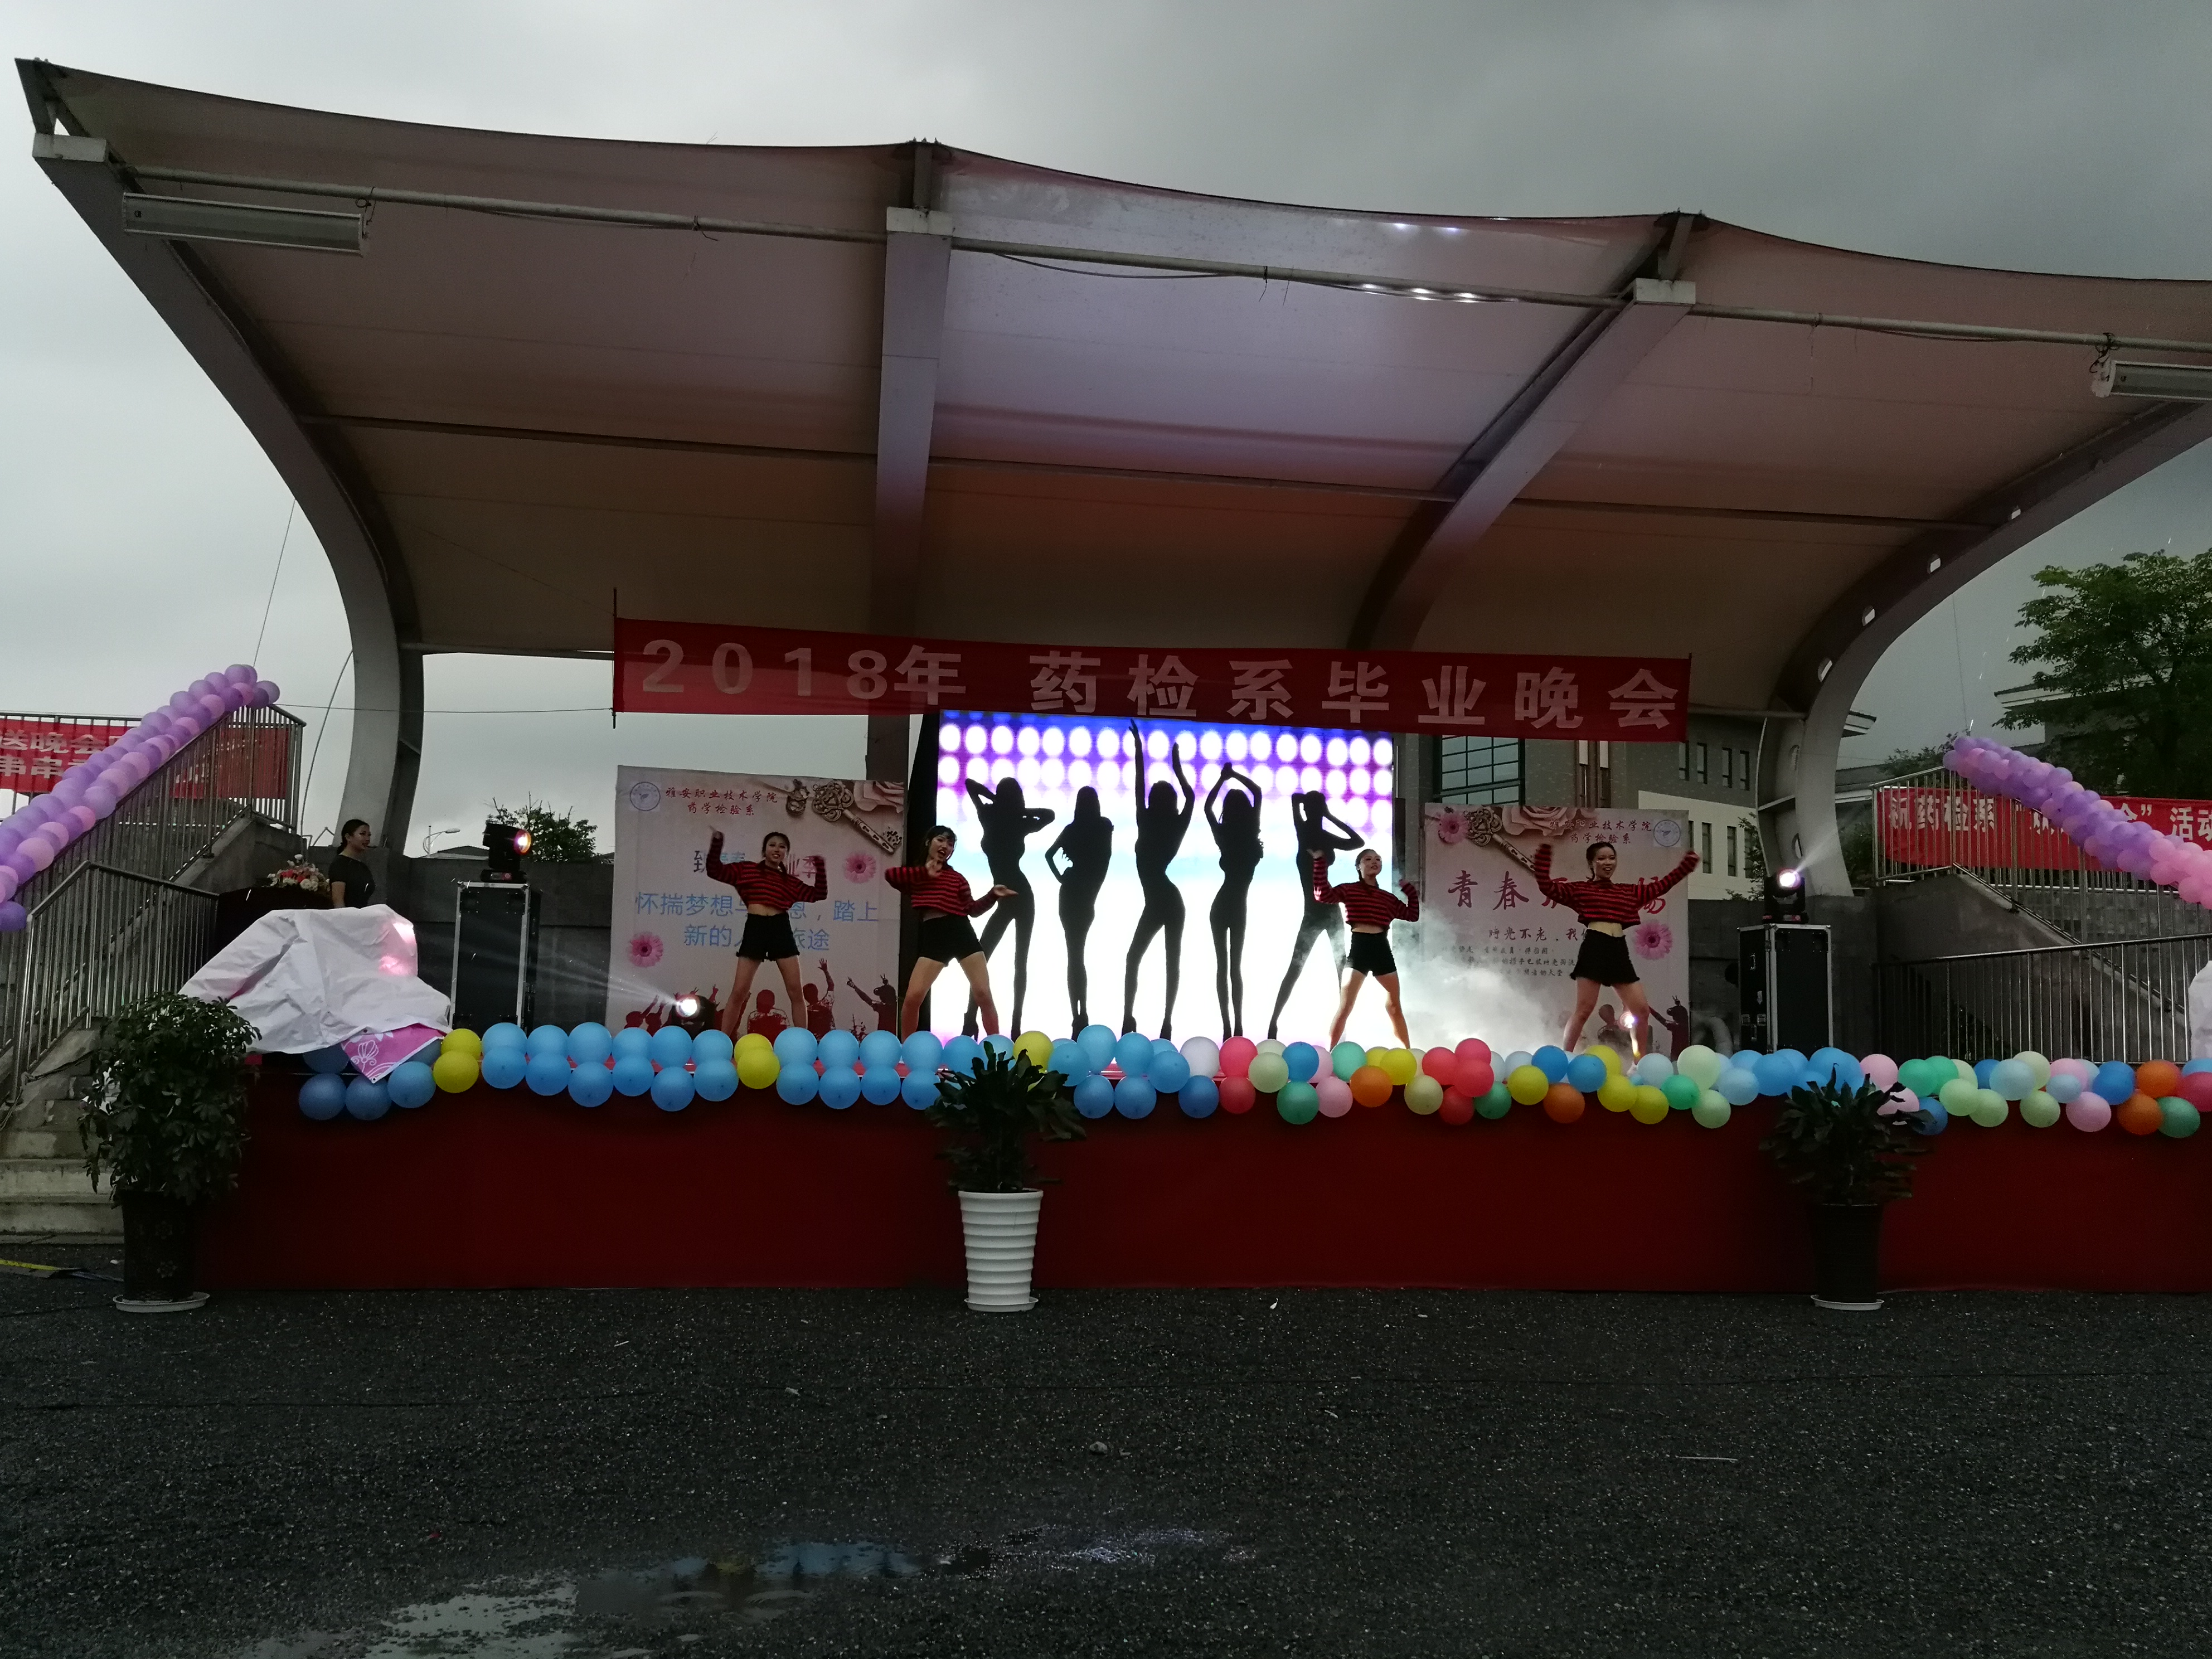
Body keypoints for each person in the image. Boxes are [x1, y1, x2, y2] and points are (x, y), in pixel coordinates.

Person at [1532, 839, 1697, 1056]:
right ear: (1592, 864)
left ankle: (1638, 1064)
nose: (1607, 862)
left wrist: (1685, 867)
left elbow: (1662, 886)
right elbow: (1548, 887)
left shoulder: (1627, 893)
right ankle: (1566, 1056)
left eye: (1612, 858)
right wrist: (1543, 859)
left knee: (1642, 1011)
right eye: (1601, 859)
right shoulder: (1581, 890)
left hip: (1618, 950)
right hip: (1594, 948)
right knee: (1584, 1010)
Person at [885, 826, 1015, 1037]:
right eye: (941, 840)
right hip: (934, 935)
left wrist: (992, 895)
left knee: (983, 993)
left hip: (961, 932)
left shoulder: (957, 878)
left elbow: (972, 909)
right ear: (928, 842)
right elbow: (891, 876)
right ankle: (906, 1048)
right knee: (913, 997)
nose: (946, 846)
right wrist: (925, 873)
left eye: (951, 843)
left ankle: (998, 1047)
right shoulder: (915, 875)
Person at [705, 828, 827, 1037]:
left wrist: (820, 868)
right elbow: (715, 870)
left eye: (782, 847)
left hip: (780, 929)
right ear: (764, 850)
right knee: (739, 991)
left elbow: (819, 894)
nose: (777, 849)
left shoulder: (789, 882)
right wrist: (717, 843)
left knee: (795, 991)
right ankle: (723, 1040)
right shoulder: (747, 870)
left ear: (786, 853)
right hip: (756, 928)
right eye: (772, 845)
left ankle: (803, 1042)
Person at [1265, 792, 1364, 1039]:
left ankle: (1341, 1028)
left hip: (1325, 910)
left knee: (1339, 968)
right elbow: (1295, 799)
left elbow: (1358, 842)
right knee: (1302, 967)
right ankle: (1273, 1023)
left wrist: (1324, 813)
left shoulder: (1315, 835)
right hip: (1315, 913)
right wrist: (1326, 814)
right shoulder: (1308, 833)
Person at [964, 775, 1056, 1036]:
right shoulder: (997, 816)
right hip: (1006, 896)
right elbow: (970, 784)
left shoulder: (993, 816)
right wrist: (1010, 807)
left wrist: (1008, 807)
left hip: (1021, 896)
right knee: (981, 957)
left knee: (1018, 962)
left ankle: (1015, 1027)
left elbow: (1050, 815)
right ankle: (970, 1019)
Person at [1121, 723, 1196, 1038]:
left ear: (1154, 800)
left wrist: (1140, 749)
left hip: (1162, 900)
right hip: (1164, 901)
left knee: (1154, 960)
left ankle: (1159, 1022)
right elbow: (1189, 796)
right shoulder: (1171, 824)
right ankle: (1136, 1019)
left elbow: (1140, 783)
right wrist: (1177, 767)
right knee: (1155, 960)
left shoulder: (1147, 820)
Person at [1313, 848, 1419, 1048]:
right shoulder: (1350, 890)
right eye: (1368, 859)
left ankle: (1408, 1053)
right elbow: (1323, 895)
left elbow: (1412, 915)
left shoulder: (1387, 898)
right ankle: (1328, 1053)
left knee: (1394, 1007)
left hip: (1382, 950)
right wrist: (1319, 862)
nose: (1374, 862)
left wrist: (1411, 892)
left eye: (1378, 859)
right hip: (1360, 949)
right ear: (1359, 867)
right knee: (1346, 1006)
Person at [1044, 785, 1114, 1036]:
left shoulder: (1072, 830)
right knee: (1077, 956)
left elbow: (1050, 855)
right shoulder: (1104, 828)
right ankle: (1081, 1013)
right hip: (1086, 896)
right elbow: (1104, 862)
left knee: (1074, 955)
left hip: (1070, 893)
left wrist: (1063, 876)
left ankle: (1078, 1014)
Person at [1204, 763, 1263, 1037]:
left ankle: (1229, 1026)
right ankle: (1236, 1025)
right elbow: (1257, 791)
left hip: (1222, 906)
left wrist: (1222, 779)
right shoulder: (1250, 833)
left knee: (1223, 968)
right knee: (1233, 969)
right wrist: (1234, 775)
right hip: (1238, 907)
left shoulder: (1225, 835)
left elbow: (1208, 808)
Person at [327, 819, 376, 908]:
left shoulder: (363, 866)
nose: (367, 839)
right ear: (348, 837)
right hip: (347, 915)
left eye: (369, 835)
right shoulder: (340, 864)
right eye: (362, 834)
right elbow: (338, 900)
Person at [801, 959, 836, 1037]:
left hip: (826, 1039)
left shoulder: (805, 1011)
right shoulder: (826, 1003)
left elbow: (831, 985)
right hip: (826, 1038)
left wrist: (826, 971)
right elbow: (831, 985)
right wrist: (826, 971)